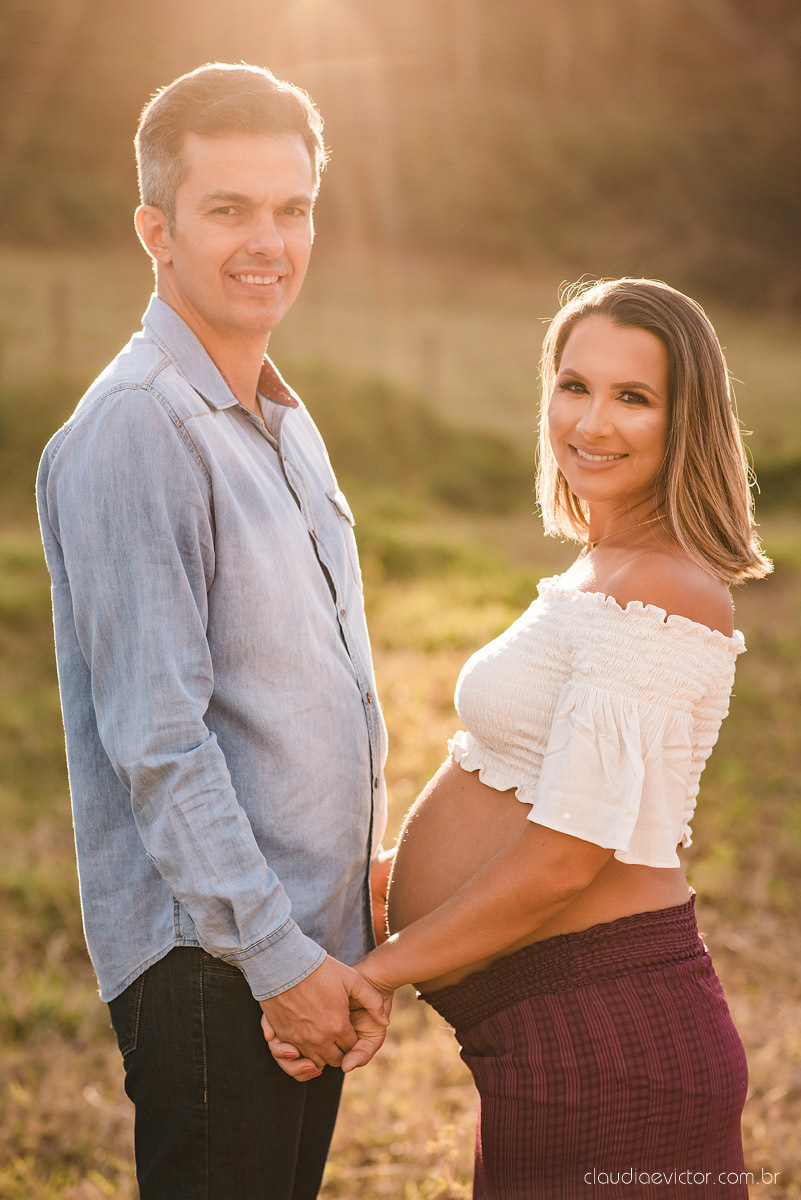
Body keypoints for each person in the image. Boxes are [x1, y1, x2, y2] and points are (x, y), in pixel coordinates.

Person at [266, 278, 771, 1198]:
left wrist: (371, 977)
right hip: (558, 1038)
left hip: (611, 1049)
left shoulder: (662, 587)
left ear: (684, 420)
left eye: (633, 397)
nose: (592, 422)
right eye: (574, 385)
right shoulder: (600, 569)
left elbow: (566, 858)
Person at [36, 62, 393, 1200]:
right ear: (157, 230)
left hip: (296, 956)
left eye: (292, 209)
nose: (268, 241)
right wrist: (280, 963)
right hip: (216, 967)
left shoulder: (282, 421)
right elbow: (160, 740)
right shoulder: (142, 426)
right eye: (227, 209)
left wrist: (335, 945)